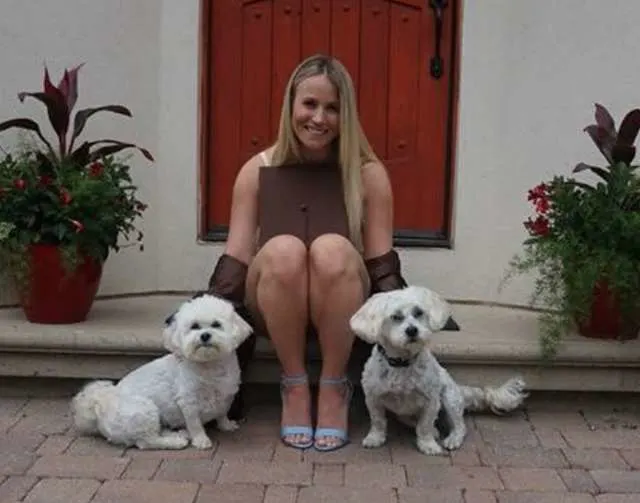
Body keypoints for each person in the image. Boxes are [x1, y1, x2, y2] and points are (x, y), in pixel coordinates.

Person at [205, 54, 447, 452]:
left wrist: (409, 324)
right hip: (275, 300)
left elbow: (382, 264)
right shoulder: (257, 169)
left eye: (332, 108)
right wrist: (205, 311)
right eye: (310, 104)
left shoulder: (368, 173)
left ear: (345, 114)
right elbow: (236, 258)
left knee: (332, 247)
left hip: (342, 300)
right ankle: (295, 385)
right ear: (291, 106)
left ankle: (334, 385)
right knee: (283, 248)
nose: (319, 118)